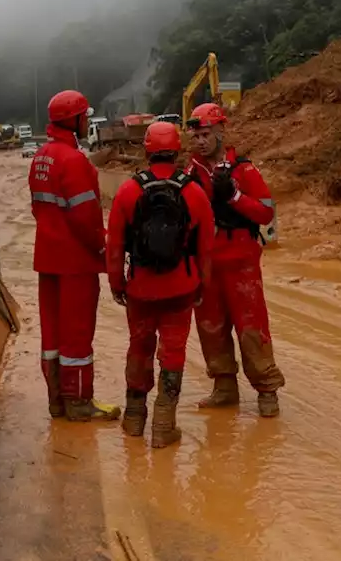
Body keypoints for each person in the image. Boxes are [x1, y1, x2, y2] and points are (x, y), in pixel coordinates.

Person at [107, 122, 214, 447]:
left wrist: (117, 284)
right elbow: (206, 247)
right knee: (173, 351)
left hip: (140, 288)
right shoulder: (193, 192)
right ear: (178, 149)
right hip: (180, 289)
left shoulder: (128, 191)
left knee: (139, 346)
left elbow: (114, 245)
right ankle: (164, 425)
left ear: (147, 150)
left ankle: (134, 419)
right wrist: (201, 287)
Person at [185, 102, 285, 417]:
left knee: (251, 326)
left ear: (220, 132)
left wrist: (233, 196)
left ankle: (267, 389)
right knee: (210, 326)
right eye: (196, 136)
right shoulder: (191, 172)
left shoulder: (244, 169)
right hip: (207, 262)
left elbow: (266, 211)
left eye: (205, 134)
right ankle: (224, 387)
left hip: (241, 260)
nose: (200, 141)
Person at [28, 89, 120, 422]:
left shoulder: (41, 157)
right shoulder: (74, 161)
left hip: (47, 258)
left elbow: (39, 209)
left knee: (52, 333)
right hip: (76, 262)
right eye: (85, 116)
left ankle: (57, 402)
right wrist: (103, 248)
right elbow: (86, 218)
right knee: (77, 333)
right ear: (77, 120)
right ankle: (80, 402)